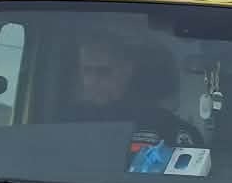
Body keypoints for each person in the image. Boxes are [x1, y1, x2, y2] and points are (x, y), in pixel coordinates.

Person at [67, 35, 196, 168]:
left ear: (127, 70)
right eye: (87, 71)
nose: (92, 81)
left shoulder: (165, 127)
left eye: (103, 71)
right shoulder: (67, 121)